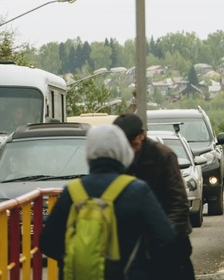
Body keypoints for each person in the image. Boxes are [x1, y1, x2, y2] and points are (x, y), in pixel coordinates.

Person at [39, 125, 176, 280]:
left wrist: (77, 259)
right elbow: (166, 237)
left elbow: (47, 241)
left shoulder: (72, 191)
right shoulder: (137, 190)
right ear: (122, 151)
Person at [113, 113, 195, 280]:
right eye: (123, 142)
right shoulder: (119, 159)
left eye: (131, 140)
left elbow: (179, 202)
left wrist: (165, 233)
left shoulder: (162, 155)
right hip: (138, 242)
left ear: (141, 135)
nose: (128, 146)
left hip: (170, 238)